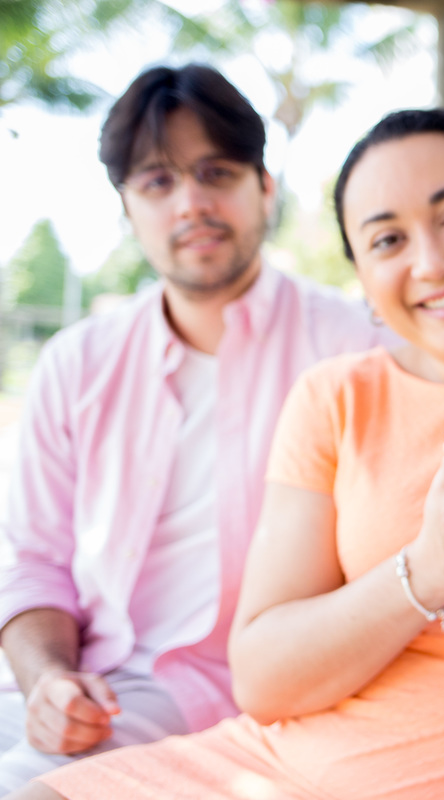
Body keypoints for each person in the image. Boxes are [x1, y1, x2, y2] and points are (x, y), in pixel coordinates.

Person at [13, 108, 444, 800]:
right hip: (260, 771)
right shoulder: (337, 395)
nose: (432, 261)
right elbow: (262, 679)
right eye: (387, 240)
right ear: (364, 276)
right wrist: (431, 567)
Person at [0, 63, 391, 791]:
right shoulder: (76, 363)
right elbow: (36, 564)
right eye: (158, 181)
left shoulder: (359, 348)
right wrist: (47, 679)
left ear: (265, 188)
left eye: (216, 172)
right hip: (65, 680)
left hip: (218, 695)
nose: (192, 203)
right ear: (126, 208)